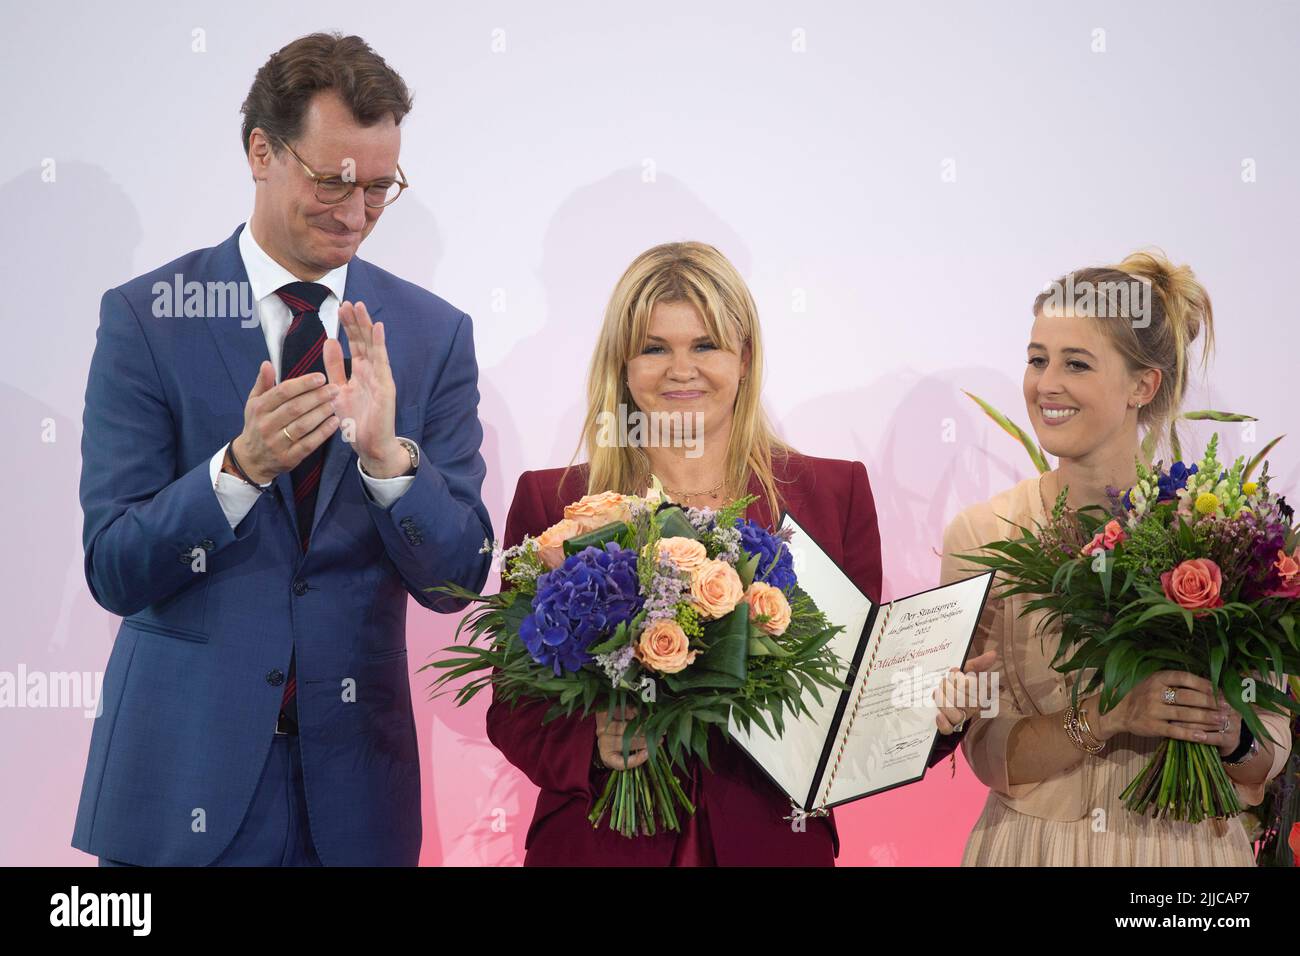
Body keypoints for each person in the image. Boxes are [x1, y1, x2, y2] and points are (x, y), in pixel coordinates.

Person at [73, 32, 493, 866]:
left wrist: (390, 467)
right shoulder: (148, 318)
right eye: (333, 181)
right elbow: (114, 568)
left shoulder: (433, 335)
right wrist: (238, 472)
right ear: (261, 150)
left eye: (379, 188)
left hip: (356, 804)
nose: (355, 212)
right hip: (179, 786)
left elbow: (457, 581)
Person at [487, 240, 982, 865]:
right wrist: (593, 740)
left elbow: (854, 703)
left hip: (772, 842)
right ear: (623, 364)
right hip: (601, 843)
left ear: (744, 358)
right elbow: (512, 707)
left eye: (704, 346)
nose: (680, 369)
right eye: (654, 348)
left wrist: (933, 720)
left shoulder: (833, 496)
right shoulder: (555, 502)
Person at [933, 250, 1292, 865]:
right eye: (1037, 360)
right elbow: (991, 757)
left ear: (1142, 385)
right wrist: (1104, 716)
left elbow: (1268, 752)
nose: (1047, 384)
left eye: (1076, 364)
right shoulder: (984, 532)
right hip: (1031, 850)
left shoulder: (1222, 530)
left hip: (1187, 858)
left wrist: (1228, 733)